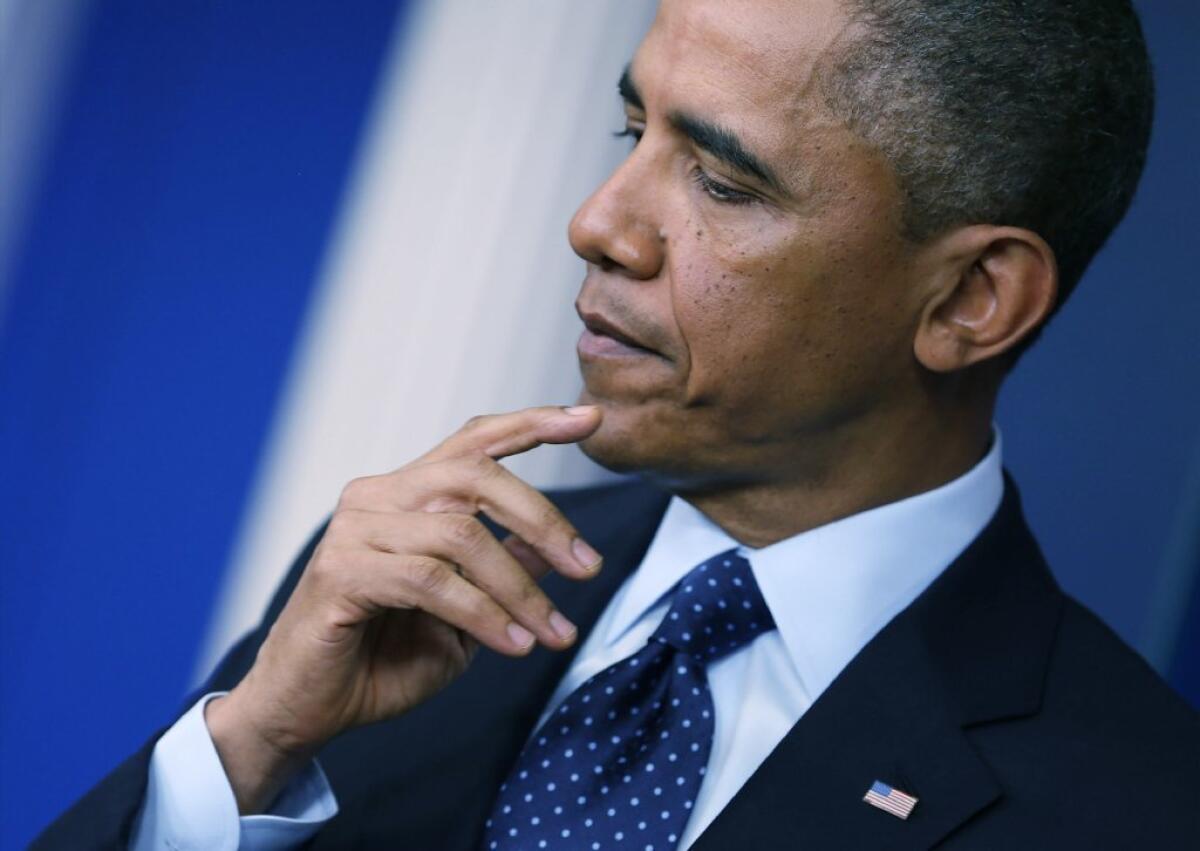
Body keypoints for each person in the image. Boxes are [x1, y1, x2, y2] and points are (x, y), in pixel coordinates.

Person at [36, 0, 1199, 848]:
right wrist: (241, 759)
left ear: (968, 300)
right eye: (628, 134)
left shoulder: (1138, 804)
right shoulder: (416, 594)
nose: (601, 224)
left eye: (725, 183)